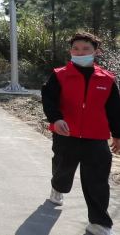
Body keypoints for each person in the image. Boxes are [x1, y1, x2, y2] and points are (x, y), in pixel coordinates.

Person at [41, 32, 120, 235]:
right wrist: (56, 119)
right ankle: (57, 188)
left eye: (85, 49)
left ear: (96, 52)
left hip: (96, 138)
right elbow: (49, 100)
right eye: (76, 49)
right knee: (62, 170)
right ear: (71, 51)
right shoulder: (59, 75)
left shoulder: (108, 79)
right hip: (66, 135)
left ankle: (99, 223)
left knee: (97, 181)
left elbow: (115, 110)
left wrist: (117, 134)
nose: (80, 52)